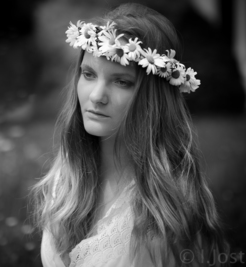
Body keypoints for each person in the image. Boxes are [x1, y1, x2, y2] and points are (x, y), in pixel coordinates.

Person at [31, 2, 228, 267]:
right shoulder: (66, 183)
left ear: (153, 99)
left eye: (121, 81)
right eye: (88, 74)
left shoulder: (165, 209)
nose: (97, 96)